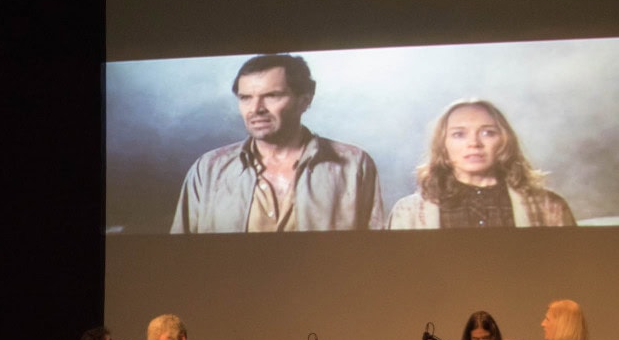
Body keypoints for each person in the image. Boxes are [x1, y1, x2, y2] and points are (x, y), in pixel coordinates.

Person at [171, 54, 385, 233]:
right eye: (245, 98)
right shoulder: (209, 169)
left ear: (305, 100)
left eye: (272, 96)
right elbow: (180, 253)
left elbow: (374, 250)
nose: (256, 109)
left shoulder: (353, 164)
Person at [388, 98, 576, 228]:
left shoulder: (548, 206)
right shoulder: (409, 212)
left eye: (488, 133)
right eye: (459, 134)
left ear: (504, 141)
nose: (474, 143)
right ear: (443, 145)